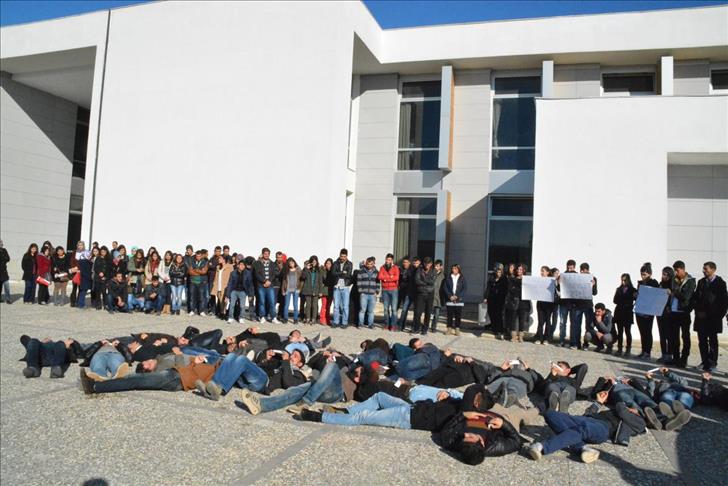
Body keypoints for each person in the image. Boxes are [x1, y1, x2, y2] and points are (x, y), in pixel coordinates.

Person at [527, 392, 647, 464]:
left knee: (585, 428)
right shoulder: (616, 411)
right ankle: (582, 448)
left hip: (604, 429)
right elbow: (589, 414)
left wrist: (623, 404)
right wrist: (598, 402)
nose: (631, 409)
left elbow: (621, 409)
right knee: (550, 414)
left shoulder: (640, 423)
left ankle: (542, 447)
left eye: (634, 409)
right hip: (587, 419)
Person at [692, 261, 727, 372]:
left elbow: (723, 302)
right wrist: (698, 311)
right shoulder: (701, 282)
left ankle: (712, 363)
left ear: (713, 270)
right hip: (701, 318)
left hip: (713, 319)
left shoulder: (720, 283)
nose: (703, 271)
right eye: (703, 268)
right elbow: (696, 298)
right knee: (702, 341)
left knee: (713, 341)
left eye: (706, 269)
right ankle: (704, 362)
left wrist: (716, 316)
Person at [669, 260, 696, 368]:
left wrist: (674, 292)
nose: (675, 272)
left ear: (683, 269)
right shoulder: (674, 279)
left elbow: (686, 297)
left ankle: (684, 359)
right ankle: (675, 358)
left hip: (684, 312)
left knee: (685, 336)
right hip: (674, 312)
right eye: (674, 270)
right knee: (674, 337)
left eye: (677, 270)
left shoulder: (690, 281)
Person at [635, 263, 659, 359]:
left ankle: (647, 351)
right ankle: (643, 350)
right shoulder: (640, 283)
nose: (643, 276)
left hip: (648, 311)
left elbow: (655, 297)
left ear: (649, 274)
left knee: (647, 331)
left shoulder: (654, 283)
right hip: (639, 309)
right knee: (642, 331)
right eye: (641, 274)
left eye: (644, 274)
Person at [505, 263, 531, 343]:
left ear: (524, 270)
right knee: (513, 319)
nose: (519, 271)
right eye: (518, 269)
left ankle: (520, 336)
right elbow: (510, 289)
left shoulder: (527, 280)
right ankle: (513, 336)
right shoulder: (513, 279)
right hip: (514, 301)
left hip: (524, 303)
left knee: (522, 320)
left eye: (520, 269)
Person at [612, 273, 637, 356]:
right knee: (620, 332)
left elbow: (636, 299)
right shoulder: (619, 289)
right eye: (622, 280)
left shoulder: (633, 290)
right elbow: (614, 300)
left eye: (625, 280)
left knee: (627, 331)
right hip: (619, 312)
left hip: (627, 312)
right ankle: (619, 348)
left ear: (628, 280)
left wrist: (633, 297)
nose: (623, 282)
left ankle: (628, 349)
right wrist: (622, 300)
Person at [253, 247, 279, 323]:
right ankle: (262, 317)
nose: (266, 255)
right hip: (261, 286)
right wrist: (264, 281)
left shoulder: (272, 263)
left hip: (270, 286)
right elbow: (257, 274)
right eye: (265, 253)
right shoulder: (257, 263)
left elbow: (274, 274)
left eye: (268, 254)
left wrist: (269, 281)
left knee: (272, 302)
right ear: (262, 254)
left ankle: (273, 317)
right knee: (261, 302)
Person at [330, 248, 354, 328]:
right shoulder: (335, 263)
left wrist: (340, 273)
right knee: (336, 306)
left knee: (345, 306)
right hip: (336, 286)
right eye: (341, 256)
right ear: (339, 255)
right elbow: (333, 273)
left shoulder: (349, 263)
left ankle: (344, 322)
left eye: (344, 256)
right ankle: (336, 322)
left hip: (345, 286)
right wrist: (342, 272)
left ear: (346, 256)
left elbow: (348, 274)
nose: (342, 258)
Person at [656, 267, 675, 364]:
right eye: (662, 274)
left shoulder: (673, 285)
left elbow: (676, 297)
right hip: (660, 312)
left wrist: (671, 294)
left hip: (668, 313)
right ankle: (663, 354)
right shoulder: (661, 284)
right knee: (662, 334)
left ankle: (669, 355)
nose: (663, 276)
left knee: (669, 335)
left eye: (665, 274)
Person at [484, 263, 508, 339]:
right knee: (491, 313)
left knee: (498, 314)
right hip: (491, 298)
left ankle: (500, 329)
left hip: (500, 299)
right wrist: (485, 297)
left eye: (500, 272)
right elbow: (488, 288)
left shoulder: (504, 279)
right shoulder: (492, 277)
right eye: (497, 272)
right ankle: (494, 328)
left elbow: (505, 290)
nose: (498, 273)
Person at [226, 258, 253, 323]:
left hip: (243, 291)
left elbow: (250, 285)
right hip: (234, 291)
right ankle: (230, 317)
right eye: (241, 265)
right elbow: (230, 284)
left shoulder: (248, 273)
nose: (242, 266)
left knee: (242, 306)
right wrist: (227, 295)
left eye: (243, 265)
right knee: (232, 305)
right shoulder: (233, 273)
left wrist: (250, 295)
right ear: (238, 265)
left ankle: (241, 318)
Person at [443, 264, 467, 336]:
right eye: (453, 268)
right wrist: (450, 296)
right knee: (449, 315)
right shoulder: (448, 277)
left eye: (455, 268)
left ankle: (457, 329)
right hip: (450, 299)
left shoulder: (462, 278)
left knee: (458, 315)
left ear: (458, 270)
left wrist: (457, 296)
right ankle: (449, 329)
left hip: (459, 300)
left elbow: (464, 288)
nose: (454, 270)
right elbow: (445, 287)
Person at [378, 253, 400, 331]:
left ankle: (393, 325)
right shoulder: (382, 267)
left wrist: (385, 278)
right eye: (387, 259)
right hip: (385, 290)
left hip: (393, 290)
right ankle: (386, 324)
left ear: (392, 260)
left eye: (389, 260)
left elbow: (396, 278)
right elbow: (380, 277)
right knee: (385, 309)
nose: (387, 261)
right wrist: (390, 277)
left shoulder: (395, 268)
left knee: (394, 309)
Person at [534, 266, 555, 344]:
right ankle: (539, 338)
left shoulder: (551, 281)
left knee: (548, 321)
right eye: (541, 271)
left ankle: (546, 338)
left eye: (543, 271)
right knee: (540, 321)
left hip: (549, 304)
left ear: (548, 272)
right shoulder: (539, 280)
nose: (541, 273)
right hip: (540, 303)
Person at [357, 257, 379, 329]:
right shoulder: (361, 271)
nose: (369, 265)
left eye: (371, 264)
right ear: (366, 264)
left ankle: (370, 324)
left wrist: (377, 291)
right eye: (368, 264)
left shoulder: (376, 272)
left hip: (373, 294)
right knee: (362, 310)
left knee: (371, 311)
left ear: (373, 264)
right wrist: (361, 291)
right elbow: (359, 282)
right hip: (364, 294)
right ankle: (360, 324)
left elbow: (378, 282)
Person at [300, 255, 323, 324]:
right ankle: (307, 318)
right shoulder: (307, 269)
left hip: (316, 289)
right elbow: (303, 277)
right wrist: (306, 268)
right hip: (308, 289)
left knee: (314, 306)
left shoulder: (319, 270)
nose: (314, 263)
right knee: (308, 305)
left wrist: (320, 291)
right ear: (310, 262)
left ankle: (313, 319)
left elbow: (320, 281)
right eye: (312, 262)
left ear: (317, 262)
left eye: (315, 262)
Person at [397, 256, 417, 331]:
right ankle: (395, 323)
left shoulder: (412, 270)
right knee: (396, 308)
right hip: (400, 291)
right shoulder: (400, 269)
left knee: (404, 309)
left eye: (406, 262)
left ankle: (401, 325)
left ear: (409, 263)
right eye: (404, 262)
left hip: (409, 292)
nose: (404, 264)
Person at [281, 257, 303, 324]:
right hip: (287, 290)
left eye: (292, 263)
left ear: (294, 263)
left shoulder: (298, 270)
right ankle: (285, 318)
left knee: (295, 305)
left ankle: (295, 319)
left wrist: (299, 289)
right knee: (286, 305)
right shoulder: (286, 270)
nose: (291, 264)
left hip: (296, 290)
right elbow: (284, 281)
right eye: (290, 263)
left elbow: (301, 280)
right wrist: (283, 290)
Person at [188, 250, 209, 316]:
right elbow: (189, 271)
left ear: (201, 256)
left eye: (199, 256)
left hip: (201, 282)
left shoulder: (205, 262)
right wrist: (199, 272)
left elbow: (204, 272)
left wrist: (195, 270)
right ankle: (192, 310)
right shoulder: (192, 262)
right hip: (193, 282)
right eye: (197, 256)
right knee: (192, 297)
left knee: (201, 297)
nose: (198, 257)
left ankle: (201, 311)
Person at [430, 260, 446, 333]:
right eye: (435, 266)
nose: (436, 267)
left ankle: (434, 327)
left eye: (437, 266)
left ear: (441, 267)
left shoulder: (444, 275)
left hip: (439, 297)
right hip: (431, 296)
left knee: (436, 314)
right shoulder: (431, 274)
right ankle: (426, 326)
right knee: (428, 313)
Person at [319, 258, 335, 325]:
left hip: (331, 291)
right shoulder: (323, 271)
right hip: (324, 291)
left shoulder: (333, 272)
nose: (328, 265)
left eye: (329, 263)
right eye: (327, 263)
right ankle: (322, 319)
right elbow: (321, 281)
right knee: (324, 306)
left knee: (328, 306)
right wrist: (320, 291)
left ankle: (328, 320)